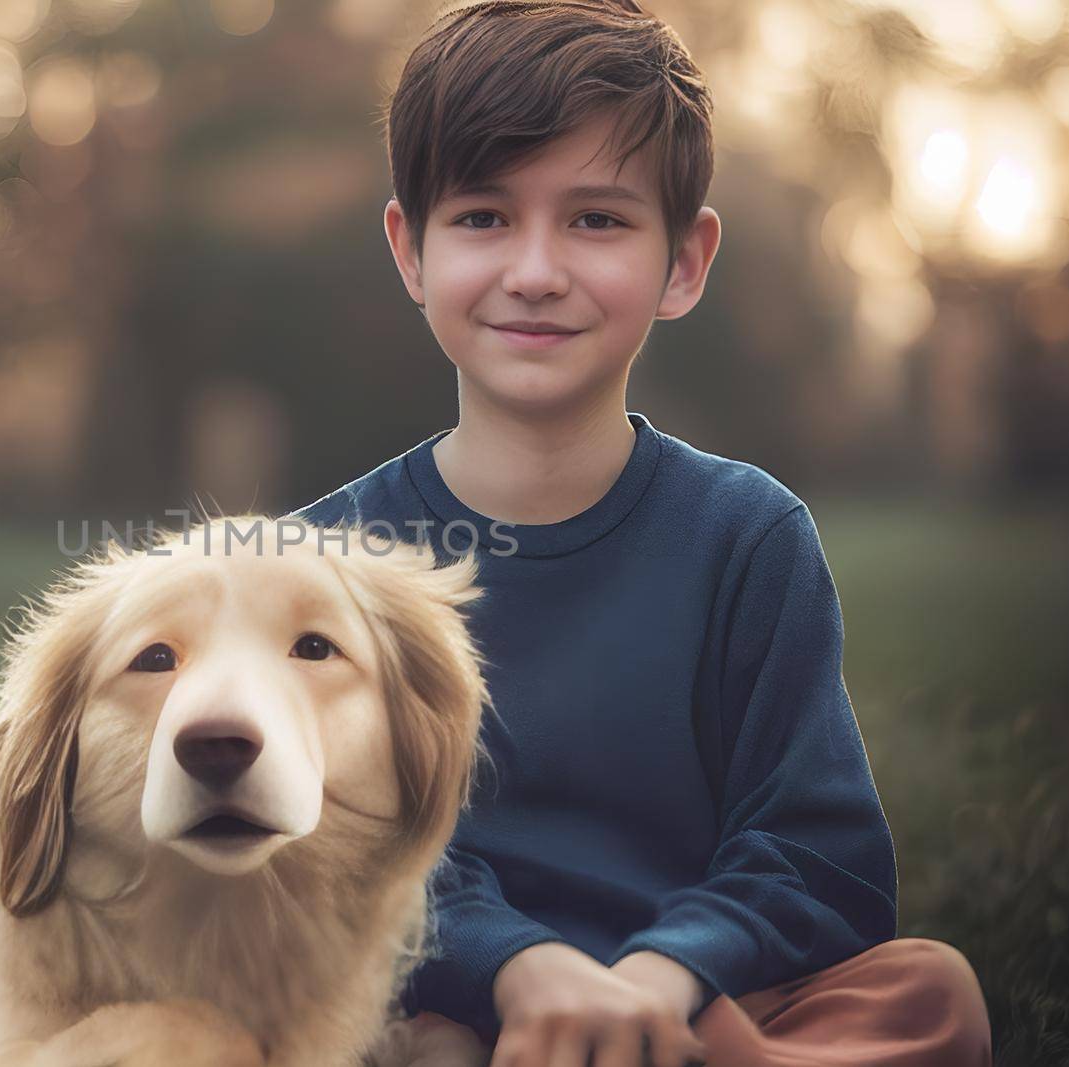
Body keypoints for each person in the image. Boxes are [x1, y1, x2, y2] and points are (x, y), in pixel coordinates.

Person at [289, 3, 992, 1065]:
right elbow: (330, 848)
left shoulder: (747, 535)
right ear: (410, 250)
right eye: (482, 216)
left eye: (597, 220)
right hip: (440, 992)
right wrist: (521, 966)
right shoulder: (318, 563)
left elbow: (821, 856)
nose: (535, 268)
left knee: (928, 990)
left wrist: (661, 973)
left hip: (693, 998)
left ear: (684, 261)